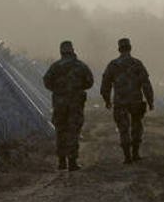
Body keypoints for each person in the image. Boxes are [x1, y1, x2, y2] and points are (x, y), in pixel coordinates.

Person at [100, 38, 154, 164]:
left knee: (123, 129)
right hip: (136, 101)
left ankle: (127, 156)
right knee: (136, 127)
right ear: (130, 48)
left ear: (119, 49)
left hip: (120, 102)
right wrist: (150, 100)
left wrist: (107, 100)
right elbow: (146, 84)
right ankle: (135, 153)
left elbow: (105, 85)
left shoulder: (113, 65)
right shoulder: (137, 64)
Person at [43, 40, 94, 171]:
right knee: (73, 131)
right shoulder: (80, 66)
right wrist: (77, 88)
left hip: (59, 104)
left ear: (61, 51)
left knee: (60, 130)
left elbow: (47, 82)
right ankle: (72, 161)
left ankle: (61, 161)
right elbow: (89, 82)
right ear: (72, 50)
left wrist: (58, 90)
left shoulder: (55, 67)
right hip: (75, 103)